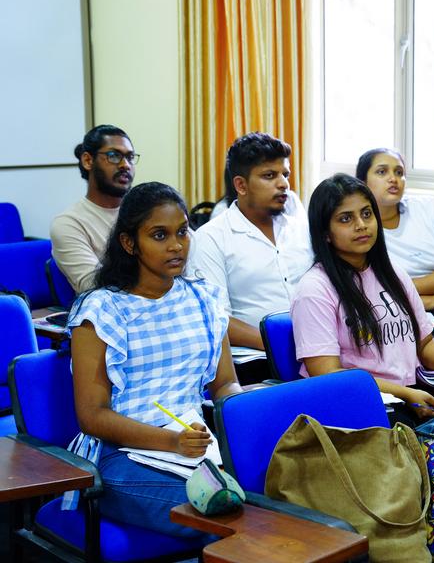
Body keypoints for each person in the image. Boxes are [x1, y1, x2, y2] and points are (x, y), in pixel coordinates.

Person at [66, 182, 242, 537]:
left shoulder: (204, 299)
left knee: (272, 487)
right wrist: (171, 441)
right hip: (119, 454)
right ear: (129, 243)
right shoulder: (100, 310)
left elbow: (225, 384)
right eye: (160, 235)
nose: (176, 245)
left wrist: (245, 422)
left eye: (182, 232)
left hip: (194, 444)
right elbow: (92, 416)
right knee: (220, 511)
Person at [291, 174, 434, 425]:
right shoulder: (315, 288)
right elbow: (328, 375)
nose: (361, 225)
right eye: (346, 218)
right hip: (361, 408)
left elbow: (425, 345)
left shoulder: (393, 273)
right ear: (325, 233)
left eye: (367, 214)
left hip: (412, 392)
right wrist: (405, 394)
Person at [188, 132, 313, 349]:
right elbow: (216, 318)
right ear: (241, 185)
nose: (283, 184)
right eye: (269, 175)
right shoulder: (211, 238)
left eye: (285, 174)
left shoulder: (303, 230)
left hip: (317, 350)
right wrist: (283, 346)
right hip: (256, 358)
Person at [356, 148, 434, 343]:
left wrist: (399, 287)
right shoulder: (360, 229)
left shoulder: (428, 208)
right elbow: (370, 292)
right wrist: (431, 300)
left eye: (399, 172)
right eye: (382, 172)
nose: (393, 179)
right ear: (362, 182)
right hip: (396, 312)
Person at [50, 125, 138, 293]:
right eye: (114, 156)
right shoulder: (68, 223)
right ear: (88, 161)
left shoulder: (146, 211)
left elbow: (189, 262)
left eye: (130, 157)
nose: (125, 165)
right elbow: (95, 287)